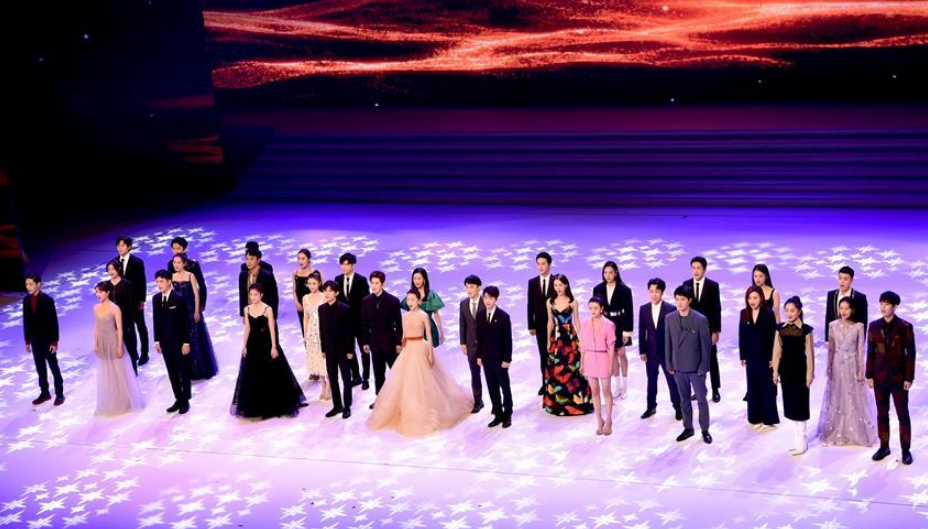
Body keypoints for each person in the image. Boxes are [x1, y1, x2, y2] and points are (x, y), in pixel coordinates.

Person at [367, 289, 472, 436]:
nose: (410, 302)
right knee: (406, 380)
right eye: (408, 299)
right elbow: (403, 334)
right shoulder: (404, 316)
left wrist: (430, 354)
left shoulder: (423, 316)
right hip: (408, 349)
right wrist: (401, 346)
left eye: (413, 299)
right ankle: (407, 409)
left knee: (424, 379)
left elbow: (429, 335)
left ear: (418, 301)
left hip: (421, 347)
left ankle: (427, 409)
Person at [231, 284, 307, 419]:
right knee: (254, 374)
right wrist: (244, 346)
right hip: (253, 344)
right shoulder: (247, 309)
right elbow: (247, 328)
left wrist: (274, 346)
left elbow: (272, 329)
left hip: (266, 343)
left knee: (272, 373)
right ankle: (257, 407)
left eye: (255, 294)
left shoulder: (268, 309)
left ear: (261, 295)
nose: (253, 297)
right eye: (251, 294)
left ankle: (276, 404)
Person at [817, 297, 877, 447]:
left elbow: (860, 350)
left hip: (852, 364)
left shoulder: (858, 327)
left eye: (846, 308)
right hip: (837, 364)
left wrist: (861, 370)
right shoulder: (832, 325)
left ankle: (854, 430)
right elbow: (831, 348)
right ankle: (837, 429)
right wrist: (829, 366)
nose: (843, 311)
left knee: (852, 395)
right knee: (837, 394)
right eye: (841, 308)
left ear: (852, 310)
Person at [867, 291, 916, 465]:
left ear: (895, 306)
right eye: (881, 303)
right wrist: (869, 374)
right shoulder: (873, 326)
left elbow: (911, 354)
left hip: (899, 378)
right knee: (882, 414)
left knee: (903, 414)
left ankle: (905, 450)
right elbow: (871, 352)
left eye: (887, 304)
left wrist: (909, 377)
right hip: (879, 377)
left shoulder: (905, 327)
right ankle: (884, 446)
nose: (883, 307)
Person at [666, 285, 712, 444]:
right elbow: (668, 343)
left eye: (683, 299)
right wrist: (669, 363)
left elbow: (706, 346)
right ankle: (688, 428)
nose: (679, 302)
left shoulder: (700, 319)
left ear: (689, 300)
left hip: (696, 369)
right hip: (678, 368)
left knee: (701, 400)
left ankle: (705, 429)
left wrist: (703, 367)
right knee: (684, 400)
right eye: (677, 299)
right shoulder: (670, 318)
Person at [543, 274, 593, 416]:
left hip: (570, 338)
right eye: (555, 285)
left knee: (572, 369)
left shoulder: (573, 302)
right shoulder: (549, 302)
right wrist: (548, 340)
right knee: (556, 369)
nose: (558, 288)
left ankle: (576, 403)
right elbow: (550, 322)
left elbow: (576, 321)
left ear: (566, 285)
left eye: (560, 285)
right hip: (556, 338)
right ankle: (558, 404)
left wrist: (582, 339)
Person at [92, 281, 144, 416]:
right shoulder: (96, 308)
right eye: (96, 292)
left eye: (101, 291)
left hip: (113, 340)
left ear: (108, 292)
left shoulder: (115, 308)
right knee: (106, 373)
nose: (98, 294)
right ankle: (111, 400)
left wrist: (120, 346)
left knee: (119, 372)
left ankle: (124, 400)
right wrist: (96, 343)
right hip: (102, 342)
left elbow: (120, 329)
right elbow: (96, 326)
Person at [772, 296, 815, 455]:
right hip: (786, 371)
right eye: (787, 310)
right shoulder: (780, 329)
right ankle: (797, 441)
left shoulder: (806, 330)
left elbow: (810, 354)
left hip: (800, 371)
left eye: (792, 310)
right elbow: (777, 352)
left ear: (799, 311)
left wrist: (810, 374)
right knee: (791, 406)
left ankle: (802, 441)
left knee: (801, 406)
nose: (789, 314)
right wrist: (775, 371)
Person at [638, 278, 681, 421]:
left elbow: (675, 334)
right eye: (651, 291)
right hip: (650, 352)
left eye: (657, 291)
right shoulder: (644, 309)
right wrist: (642, 350)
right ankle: (651, 407)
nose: (654, 294)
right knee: (651, 381)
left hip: (666, 352)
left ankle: (678, 407)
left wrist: (674, 354)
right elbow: (642, 331)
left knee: (672, 381)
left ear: (662, 292)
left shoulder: (670, 309)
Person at [172, 253, 218, 380]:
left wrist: (197, 311)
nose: (176, 265)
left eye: (178, 262)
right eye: (174, 262)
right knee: (183, 338)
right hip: (180, 312)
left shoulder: (190, 276)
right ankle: (187, 370)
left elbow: (196, 294)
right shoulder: (172, 277)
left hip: (191, 309)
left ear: (184, 263)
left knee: (195, 338)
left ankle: (200, 369)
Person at [361, 271, 403, 409]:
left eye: (377, 283)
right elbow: (364, 324)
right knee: (378, 373)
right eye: (372, 283)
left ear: (383, 284)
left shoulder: (393, 300)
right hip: (375, 343)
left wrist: (398, 342)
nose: (373, 286)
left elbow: (398, 324)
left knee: (396, 372)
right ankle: (380, 399)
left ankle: (401, 398)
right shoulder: (366, 301)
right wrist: (365, 342)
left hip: (390, 342)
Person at [153, 270, 193, 414]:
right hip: (165, 342)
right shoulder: (156, 299)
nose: (159, 284)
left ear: (169, 281)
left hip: (179, 342)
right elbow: (156, 320)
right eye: (157, 282)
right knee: (172, 372)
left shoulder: (179, 298)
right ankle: (178, 398)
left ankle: (185, 400)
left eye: (161, 281)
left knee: (183, 371)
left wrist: (186, 342)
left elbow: (186, 322)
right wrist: (157, 340)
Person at [739, 286, 779, 429]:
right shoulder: (744, 313)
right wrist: (743, 355)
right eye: (750, 298)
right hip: (751, 357)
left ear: (761, 298)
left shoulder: (768, 313)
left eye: (755, 298)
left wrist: (772, 357)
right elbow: (742, 335)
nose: (752, 301)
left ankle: (768, 418)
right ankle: (755, 418)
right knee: (753, 386)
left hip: (765, 356)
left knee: (767, 387)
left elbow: (773, 336)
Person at [592, 261, 634, 400]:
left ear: (616, 273)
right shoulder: (598, 288)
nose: (608, 275)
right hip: (605, 324)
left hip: (620, 324)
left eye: (610, 272)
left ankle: (625, 386)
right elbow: (596, 310)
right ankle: (617, 386)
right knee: (612, 355)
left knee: (621, 353)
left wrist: (627, 332)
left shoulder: (624, 290)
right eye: (605, 273)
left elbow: (629, 312)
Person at [684, 256, 722, 402]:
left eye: (698, 268)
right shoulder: (686, 285)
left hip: (708, 329)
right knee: (695, 360)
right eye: (693, 268)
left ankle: (715, 389)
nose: (696, 271)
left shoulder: (713, 286)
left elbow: (717, 309)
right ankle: (699, 389)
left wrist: (716, 331)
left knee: (712, 360)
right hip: (692, 330)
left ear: (704, 270)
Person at [23, 273, 64, 406]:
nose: (28, 287)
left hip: (47, 340)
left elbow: (53, 322)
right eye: (27, 284)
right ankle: (45, 392)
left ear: (38, 284)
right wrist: (27, 340)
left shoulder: (47, 300)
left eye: (31, 284)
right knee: (40, 367)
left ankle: (59, 394)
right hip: (35, 340)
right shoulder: (26, 300)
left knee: (53, 366)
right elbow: (26, 321)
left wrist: (54, 341)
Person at [475, 286, 514, 428]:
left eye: (490, 298)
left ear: (496, 299)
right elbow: (479, 337)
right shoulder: (480, 315)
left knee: (504, 387)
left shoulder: (504, 317)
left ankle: (507, 414)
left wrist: (507, 359)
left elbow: (508, 340)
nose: (487, 301)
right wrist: (479, 355)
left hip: (500, 359)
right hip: (487, 359)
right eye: (485, 297)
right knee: (492, 387)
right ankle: (498, 414)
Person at [579, 296, 616, 435]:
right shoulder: (584, 324)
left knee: (606, 390)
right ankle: (599, 421)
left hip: (603, 358)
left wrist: (611, 365)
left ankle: (609, 420)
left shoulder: (609, 324)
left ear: (601, 309)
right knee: (594, 390)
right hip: (589, 358)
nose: (592, 311)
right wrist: (582, 362)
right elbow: (582, 345)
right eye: (590, 308)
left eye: (595, 308)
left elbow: (611, 347)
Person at [318, 280, 355, 419]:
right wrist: (323, 349)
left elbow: (349, 332)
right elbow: (322, 330)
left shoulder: (345, 309)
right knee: (333, 378)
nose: (327, 293)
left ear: (337, 293)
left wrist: (350, 351)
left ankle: (347, 407)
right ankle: (337, 405)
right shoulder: (321, 309)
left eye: (330, 291)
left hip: (343, 350)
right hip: (329, 350)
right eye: (325, 290)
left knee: (346, 379)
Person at [335, 252, 369, 389]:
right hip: (345, 323)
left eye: (346, 264)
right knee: (349, 350)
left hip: (360, 322)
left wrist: (366, 321)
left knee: (364, 350)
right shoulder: (338, 279)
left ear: (353, 265)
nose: (343, 267)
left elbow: (366, 302)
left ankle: (366, 378)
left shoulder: (361, 280)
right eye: (342, 264)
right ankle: (356, 376)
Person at [115, 236, 150, 366]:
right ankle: (133, 353)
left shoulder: (137, 262)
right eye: (118, 246)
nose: (120, 248)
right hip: (122, 303)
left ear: (129, 246)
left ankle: (145, 353)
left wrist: (142, 300)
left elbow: (142, 282)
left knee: (140, 326)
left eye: (122, 245)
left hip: (135, 301)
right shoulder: (114, 262)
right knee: (127, 328)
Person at [527, 252, 555, 395]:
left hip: (555, 324)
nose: (540, 267)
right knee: (543, 355)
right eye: (538, 264)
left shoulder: (557, 280)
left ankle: (556, 383)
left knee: (555, 354)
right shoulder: (532, 282)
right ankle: (545, 383)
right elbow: (530, 304)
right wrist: (531, 325)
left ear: (549, 264)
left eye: (543, 263)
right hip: (539, 325)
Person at [106, 261, 139, 374]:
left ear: (118, 269)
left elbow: (131, 303)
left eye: (113, 269)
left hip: (126, 320)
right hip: (112, 321)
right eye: (109, 269)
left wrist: (129, 320)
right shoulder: (106, 285)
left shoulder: (126, 284)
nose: (111, 271)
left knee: (130, 345)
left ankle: (133, 370)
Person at [459, 274, 486, 414]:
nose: (468, 290)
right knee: (475, 374)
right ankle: (478, 401)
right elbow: (462, 324)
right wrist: (463, 342)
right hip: (471, 345)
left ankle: (497, 403)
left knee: (491, 373)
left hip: (486, 345)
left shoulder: (486, 302)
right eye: (467, 287)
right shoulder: (463, 304)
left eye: (471, 287)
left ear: (478, 288)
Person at [400, 267, 445, 348]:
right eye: (414, 278)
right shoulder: (410, 295)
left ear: (424, 279)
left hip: (429, 329)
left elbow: (436, 315)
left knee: (428, 353)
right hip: (414, 329)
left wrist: (442, 333)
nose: (416, 281)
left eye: (419, 278)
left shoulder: (431, 295)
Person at [825, 266, 869, 342]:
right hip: (835, 340)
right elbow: (828, 318)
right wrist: (827, 340)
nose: (842, 281)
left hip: (852, 341)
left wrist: (861, 341)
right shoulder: (831, 295)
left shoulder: (860, 297)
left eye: (845, 279)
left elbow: (863, 321)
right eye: (840, 278)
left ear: (851, 280)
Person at [302, 271, 328, 394]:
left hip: (323, 330)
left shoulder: (324, 296)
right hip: (312, 332)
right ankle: (323, 386)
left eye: (314, 283)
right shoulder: (305, 298)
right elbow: (305, 317)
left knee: (325, 359)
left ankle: (329, 387)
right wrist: (305, 334)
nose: (312, 286)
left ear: (319, 283)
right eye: (309, 283)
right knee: (317, 359)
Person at [167, 237, 208, 314]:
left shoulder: (193, 264)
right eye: (173, 249)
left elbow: (201, 284)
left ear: (184, 249)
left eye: (178, 248)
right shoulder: (170, 264)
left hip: (193, 300)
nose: (175, 251)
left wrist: (202, 303)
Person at [293, 249, 321, 337]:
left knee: (316, 331)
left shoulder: (315, 273)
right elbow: (294, 290)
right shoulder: (295, 273)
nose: (300, 261)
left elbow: (321, 290)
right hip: (301, 306)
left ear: (308, 259)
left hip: (314, 306)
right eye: (299, 259)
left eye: (303, 258)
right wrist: (297, 303)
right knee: (305, 330)